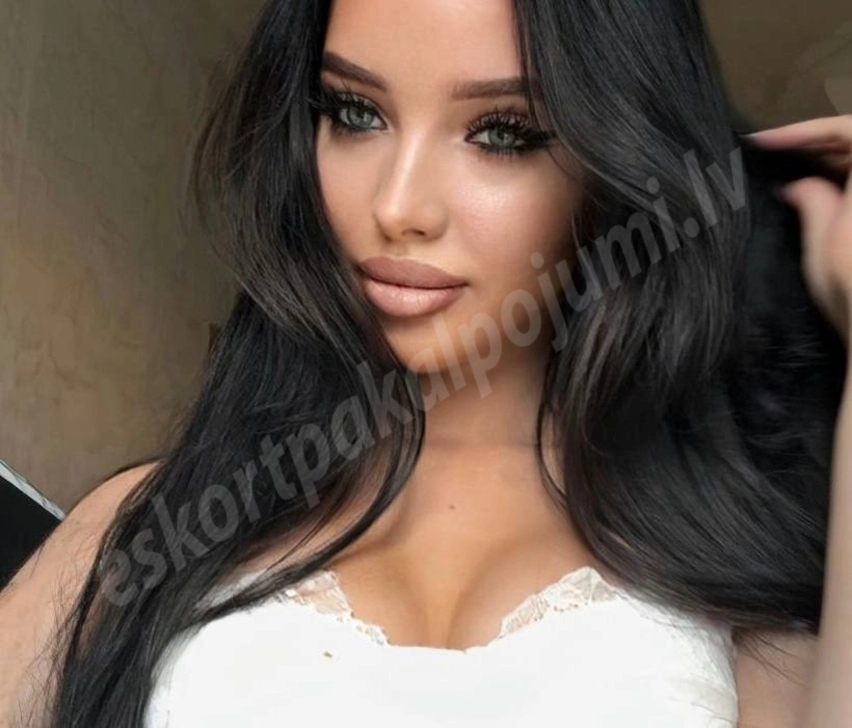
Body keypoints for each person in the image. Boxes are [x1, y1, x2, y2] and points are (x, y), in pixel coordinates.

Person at [1, 0, 851, 725]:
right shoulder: (151, 530)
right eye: (354, 112)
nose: (398, 205)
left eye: (502, 132)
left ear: (615, 165)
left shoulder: (734, 584)